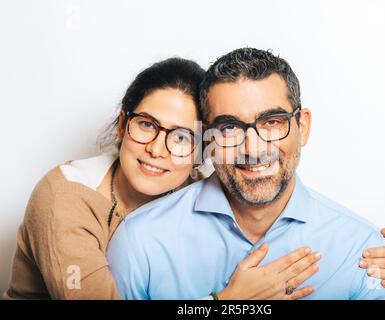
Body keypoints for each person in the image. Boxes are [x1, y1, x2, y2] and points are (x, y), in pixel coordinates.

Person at [106, 48, 385, 299]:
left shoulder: (362, 251)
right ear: (206, 139)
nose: (252, 148)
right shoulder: (140, 242)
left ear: (302, 126)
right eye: (228, 128)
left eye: (272, 122)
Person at [6, 58, 321, 300]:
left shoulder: (199, 195)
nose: (157, 149)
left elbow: (270, 207)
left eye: (182, 137)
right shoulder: (65, 199)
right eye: (146, 125)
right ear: (121, 125)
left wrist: (369, 253)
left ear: (204, 148)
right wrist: (226, 302)